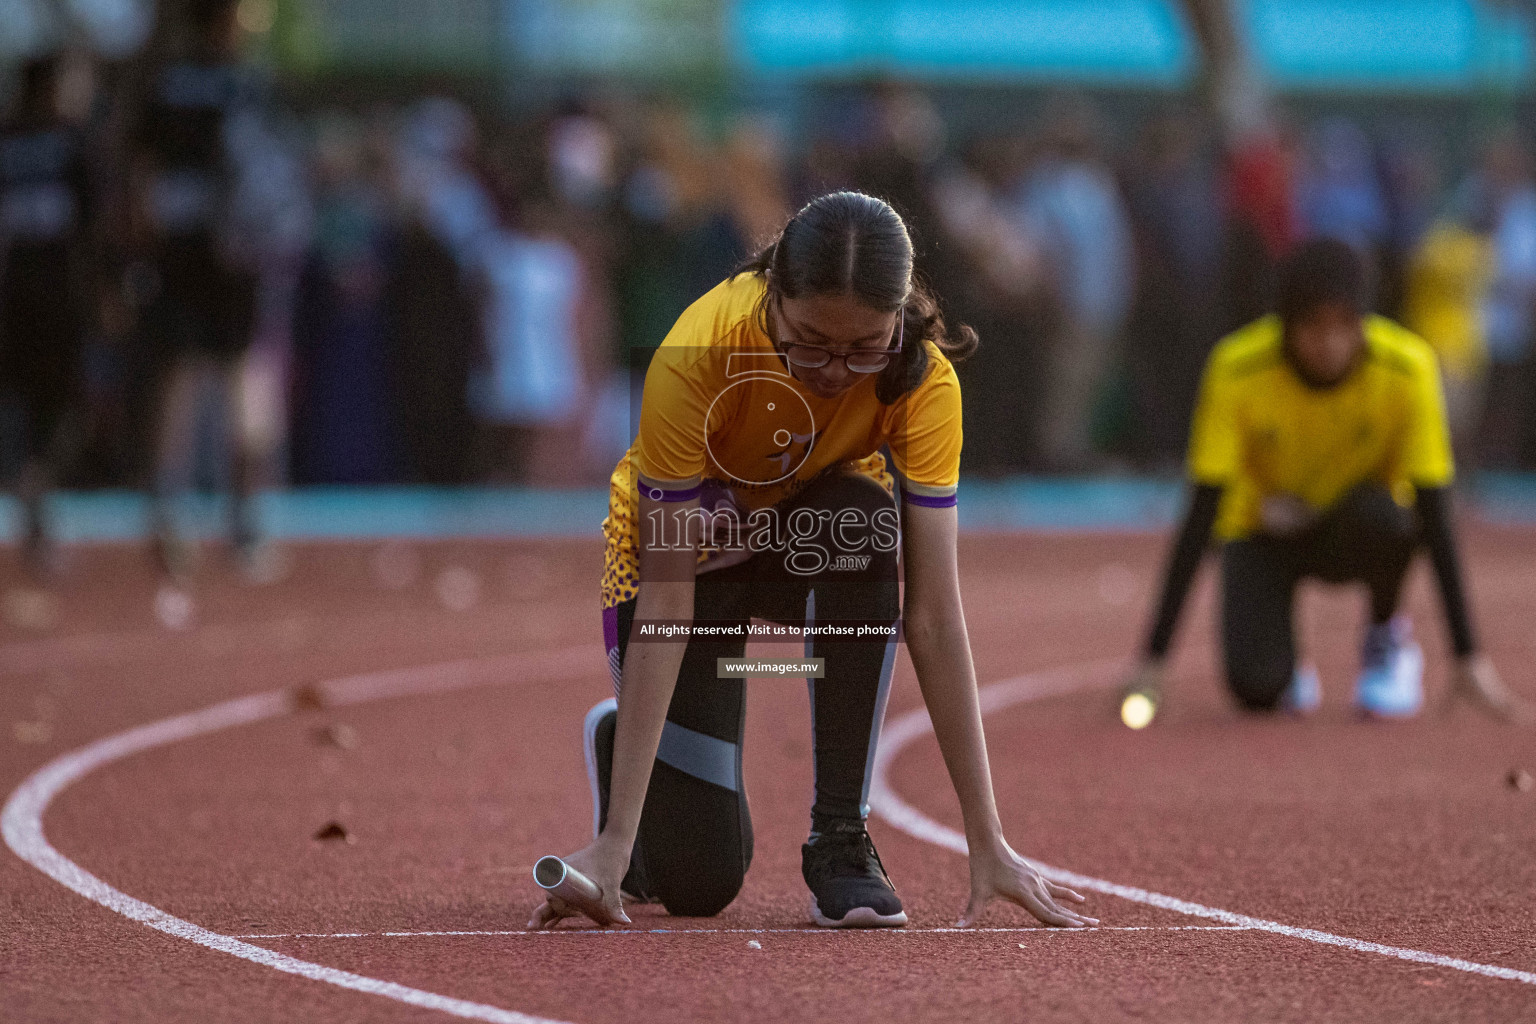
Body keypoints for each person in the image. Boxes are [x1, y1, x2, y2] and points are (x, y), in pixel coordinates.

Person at [529, 192, 1098, 931]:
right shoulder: (697, 356)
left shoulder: (923, 383)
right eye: (808, 344)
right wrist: (612, 845)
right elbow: (667, 602)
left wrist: (986, 842)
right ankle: (626, 761)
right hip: (677, 575)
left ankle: (841, 840)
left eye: (864, 347)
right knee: (700, 886)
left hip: (796, 548)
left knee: (866, 527)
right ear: (773, 296)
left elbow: (931, 616)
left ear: (899, 318)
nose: (833, 371)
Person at [1121, 238, 1527, 723]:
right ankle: (1283, 658)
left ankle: (1384, 638)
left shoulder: (1408, 367)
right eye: (1313, 326)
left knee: (1390, 518)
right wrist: (1154, 658)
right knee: (1256, 691)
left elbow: (1435, 512)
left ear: (1364, 322)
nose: (1330, 343)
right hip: (1267, 530)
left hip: (1359, 527)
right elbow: (1202, 510)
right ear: (1285, 326)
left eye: (1344, 326)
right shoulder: (1235, 368)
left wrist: (1467, 657)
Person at [130, 0, 266, 574]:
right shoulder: (248, 82)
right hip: (235, 247)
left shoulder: (163, 82)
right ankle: (245, 525)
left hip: (177, 245)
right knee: (242, 374)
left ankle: (168, 516)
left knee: (179, 375)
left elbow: (140, 174)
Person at [0, 55, 96, 576]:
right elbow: (96, 225)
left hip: (22, 298)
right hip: (49, 299)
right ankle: (35, 500)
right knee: (52, 411)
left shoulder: (13, 140)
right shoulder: (67, 142)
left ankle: (33, 498)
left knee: (36, 409)